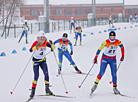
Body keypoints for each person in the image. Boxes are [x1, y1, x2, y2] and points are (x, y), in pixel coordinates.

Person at [29, 30, 56, 98]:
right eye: (41, 38)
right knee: (36, 76)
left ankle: (47, 89)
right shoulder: (35, 42)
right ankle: (33, 91)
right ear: (38, 38)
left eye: (43, 38)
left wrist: (52, 44)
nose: (42, 39)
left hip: (43, 61)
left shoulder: (46, 43)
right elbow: (30, 50)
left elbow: (53, 48)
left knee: (46, 74)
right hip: (36, 62)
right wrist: (36, 46)